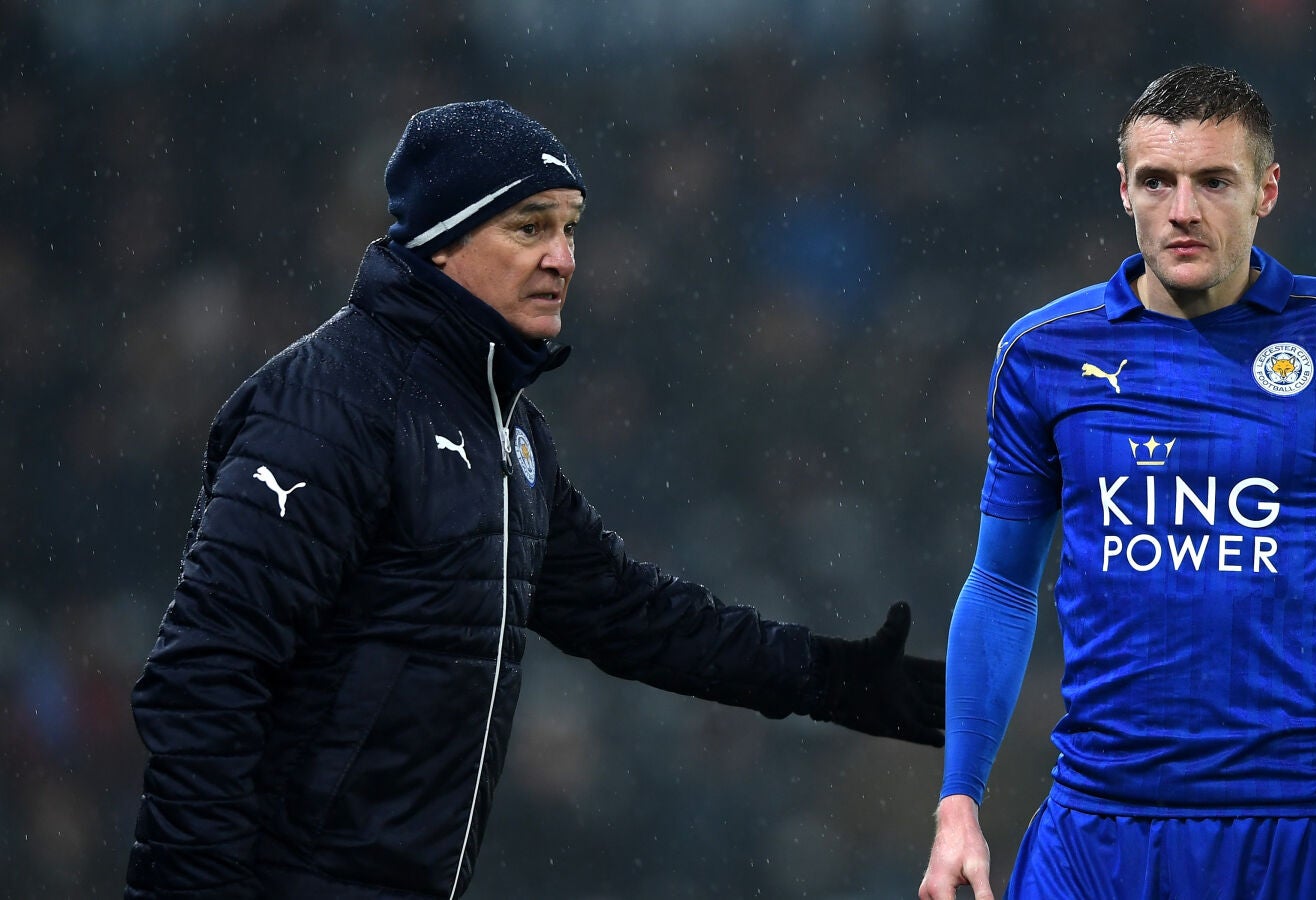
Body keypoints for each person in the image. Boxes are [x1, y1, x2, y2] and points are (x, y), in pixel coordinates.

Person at [125, 99, 944, 900]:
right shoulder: (329, 406)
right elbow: (204, 671)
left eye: (570, 228)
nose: (563, 258)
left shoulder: (507, 431)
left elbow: (631, 614)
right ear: (444, 241)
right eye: (529, 228)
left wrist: (832, 677)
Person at [918, 65, 1316, 899]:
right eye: (1158, 181)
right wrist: (958, 802)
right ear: (1124, 189)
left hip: (1295, 827)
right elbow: (1001, 584)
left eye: (1214, 181)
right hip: (1095, 831)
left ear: (1267, 191)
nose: (1183, 209)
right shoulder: (1044, 353)